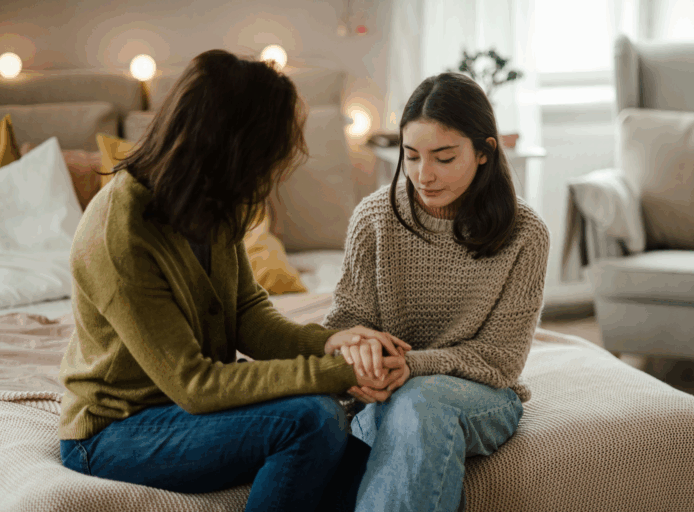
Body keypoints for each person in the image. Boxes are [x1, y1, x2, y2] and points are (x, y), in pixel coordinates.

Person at [57, 49, 410, 512]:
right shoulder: (119, 232)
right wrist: (343, 373)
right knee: (311, 420)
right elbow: (196, 384)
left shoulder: (214, 203)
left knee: (389, 465)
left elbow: (248, 316)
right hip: (117, 429)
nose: (270, 175)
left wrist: (333, 343)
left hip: (189, 410)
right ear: (232, 147)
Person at [323, 72, 550, 512]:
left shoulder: (525, 233)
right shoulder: (374, 218)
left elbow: (500, 360)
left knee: (419, 403)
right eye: (410, 157)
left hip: (482, 394)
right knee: (390, 409)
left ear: (484, 151)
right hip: (387, 388)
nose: (423, 176)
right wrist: (362, 354)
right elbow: (344, 325)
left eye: (444, 158)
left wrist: (410, 364)